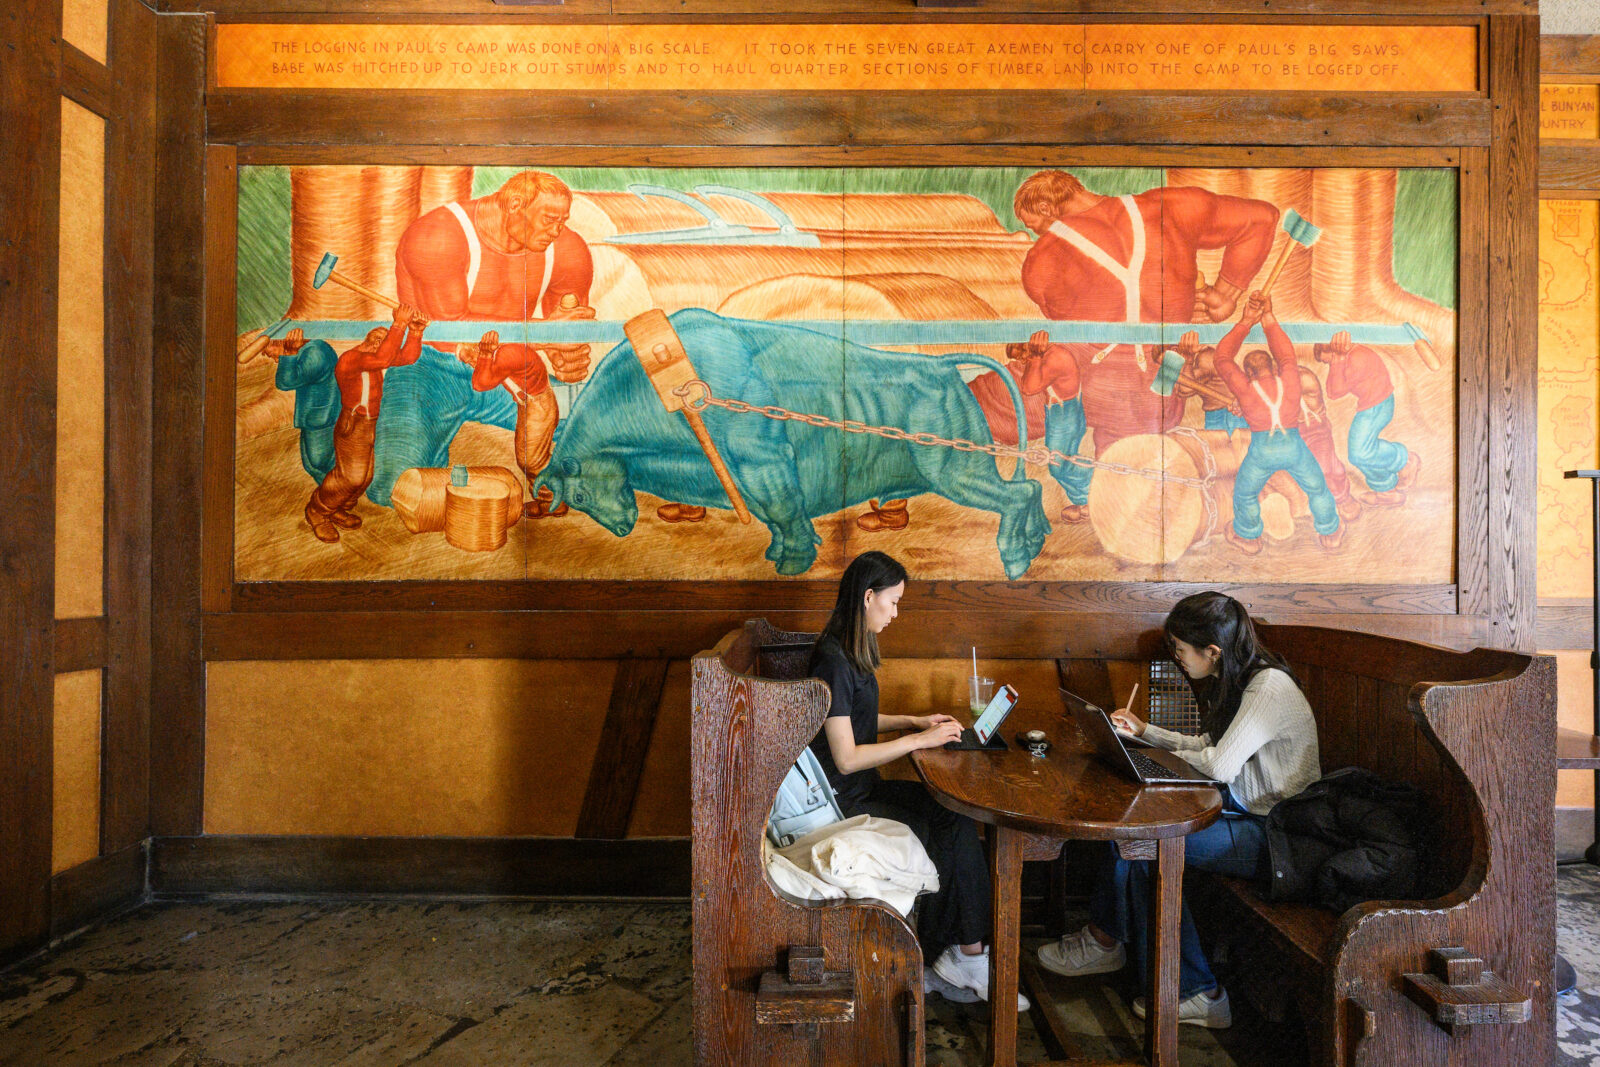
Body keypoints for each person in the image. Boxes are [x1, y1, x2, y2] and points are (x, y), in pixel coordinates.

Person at [1036, 591, 1321, 1030]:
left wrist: (1154, 747)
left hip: (1276, 834)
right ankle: (1108, 942)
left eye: (1181, 650)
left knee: (1146, 844)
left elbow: (1220, 765)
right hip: (1242, 811)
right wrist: (1145, 732)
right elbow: (1210, 749)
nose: (1177, 659)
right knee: (1134, 834)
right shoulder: (1243, 678)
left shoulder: (1268, 687)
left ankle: (1197, 992)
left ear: (1213, 651)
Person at [807, 551, 1027, 1010]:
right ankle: (965, 953)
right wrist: (918, 740)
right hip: (842, 800)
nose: (896, 611)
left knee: (951, 812)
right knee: (944, 824)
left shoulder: (848, 650)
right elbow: (846, 757)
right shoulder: (832, 660)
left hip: (859, 789)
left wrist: (911, 719)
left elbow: (854, 721)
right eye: (893, 601)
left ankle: (957, 952)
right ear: (868, 597)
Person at [1013, 169, 1279, 456]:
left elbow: (1071, 329)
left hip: (1110, 396)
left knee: (1114, 473)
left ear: (1045, 207)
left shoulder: (1040, 263)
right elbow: (1262, 218)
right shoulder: (1170, 208)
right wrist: (1225, 294)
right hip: (1168, 386)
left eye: (1035, 226)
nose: (1038, 235)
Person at [396, 169, 596, 519]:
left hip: (510, 370)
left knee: (591, 433)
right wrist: (544, 334)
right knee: (392, 488)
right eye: (549, 219)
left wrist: (570, 356)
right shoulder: (437, 235)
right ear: (515, 205)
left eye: (562, 221)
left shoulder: (567, 250)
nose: (557, 230)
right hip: (433, 370)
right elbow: (451, 328)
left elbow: (566, 330)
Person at [1211, 291, 1343, 553]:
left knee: (1246, 494)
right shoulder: (1290, 379)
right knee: (1317, 488)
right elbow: (1286, 355)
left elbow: (1222, 359)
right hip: (1294, 447)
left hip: (1262, 452)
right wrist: (1268, 318)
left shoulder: (1245, 390)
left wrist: (1246, 321)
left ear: (1248, 374)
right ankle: (1330, 532)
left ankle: (1248, 538)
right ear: (1273, 368)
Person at [303, 304, 428, 542]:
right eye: (384, 341)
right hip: (353, 426)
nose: (390, 351)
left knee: (366, 476)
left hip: (369, 425)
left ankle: (337, 508)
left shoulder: (375, 358)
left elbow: (408, 356)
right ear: (371, 342)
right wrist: (399, 324)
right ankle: (317, 511)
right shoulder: (351, 359)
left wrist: (415, 332)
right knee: (350, 477)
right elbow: (385, 356)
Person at [1315, 331, 1421, 507]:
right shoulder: (1351, 356)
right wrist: (1338, 360)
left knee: (1360, 453)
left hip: (1378, 406)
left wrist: (1338, 361)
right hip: (1372, 405)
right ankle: (1386, 492)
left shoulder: (1358, 357)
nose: (1332, 366)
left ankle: (1405, 460)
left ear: (1335, 351)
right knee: (1361, 455)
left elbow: (1334, 391)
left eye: (1330, 361)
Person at [1013, 330, 1091, 524]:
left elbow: (1029, 388)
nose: (1023, 360)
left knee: (1059, 465)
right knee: (1066, 461)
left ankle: (1094, 492)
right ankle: (1084, 501)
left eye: (1021, 354)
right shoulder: (1053, 354)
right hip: (1062, 414)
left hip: (1065, 417)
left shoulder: (1056, 357)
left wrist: (1035, 357)